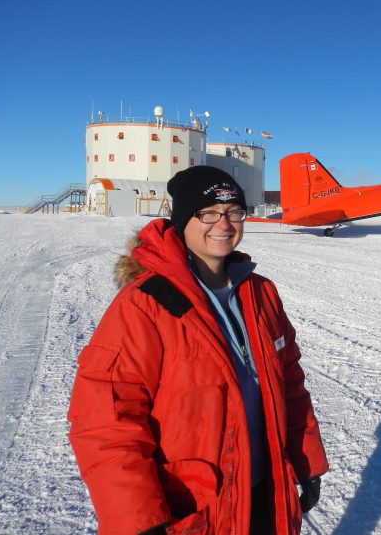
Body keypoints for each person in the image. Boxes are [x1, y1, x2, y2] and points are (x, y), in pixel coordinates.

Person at [68, 165, 329, 534]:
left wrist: (307, 463)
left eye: (234, 212)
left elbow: (290, 384)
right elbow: (106, 420)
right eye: (208, 213)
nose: (224, 224)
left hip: (264, 493)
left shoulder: (261, 293)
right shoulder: (147, 303)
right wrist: (138, 520)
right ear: (181, 220)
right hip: (193, 509)